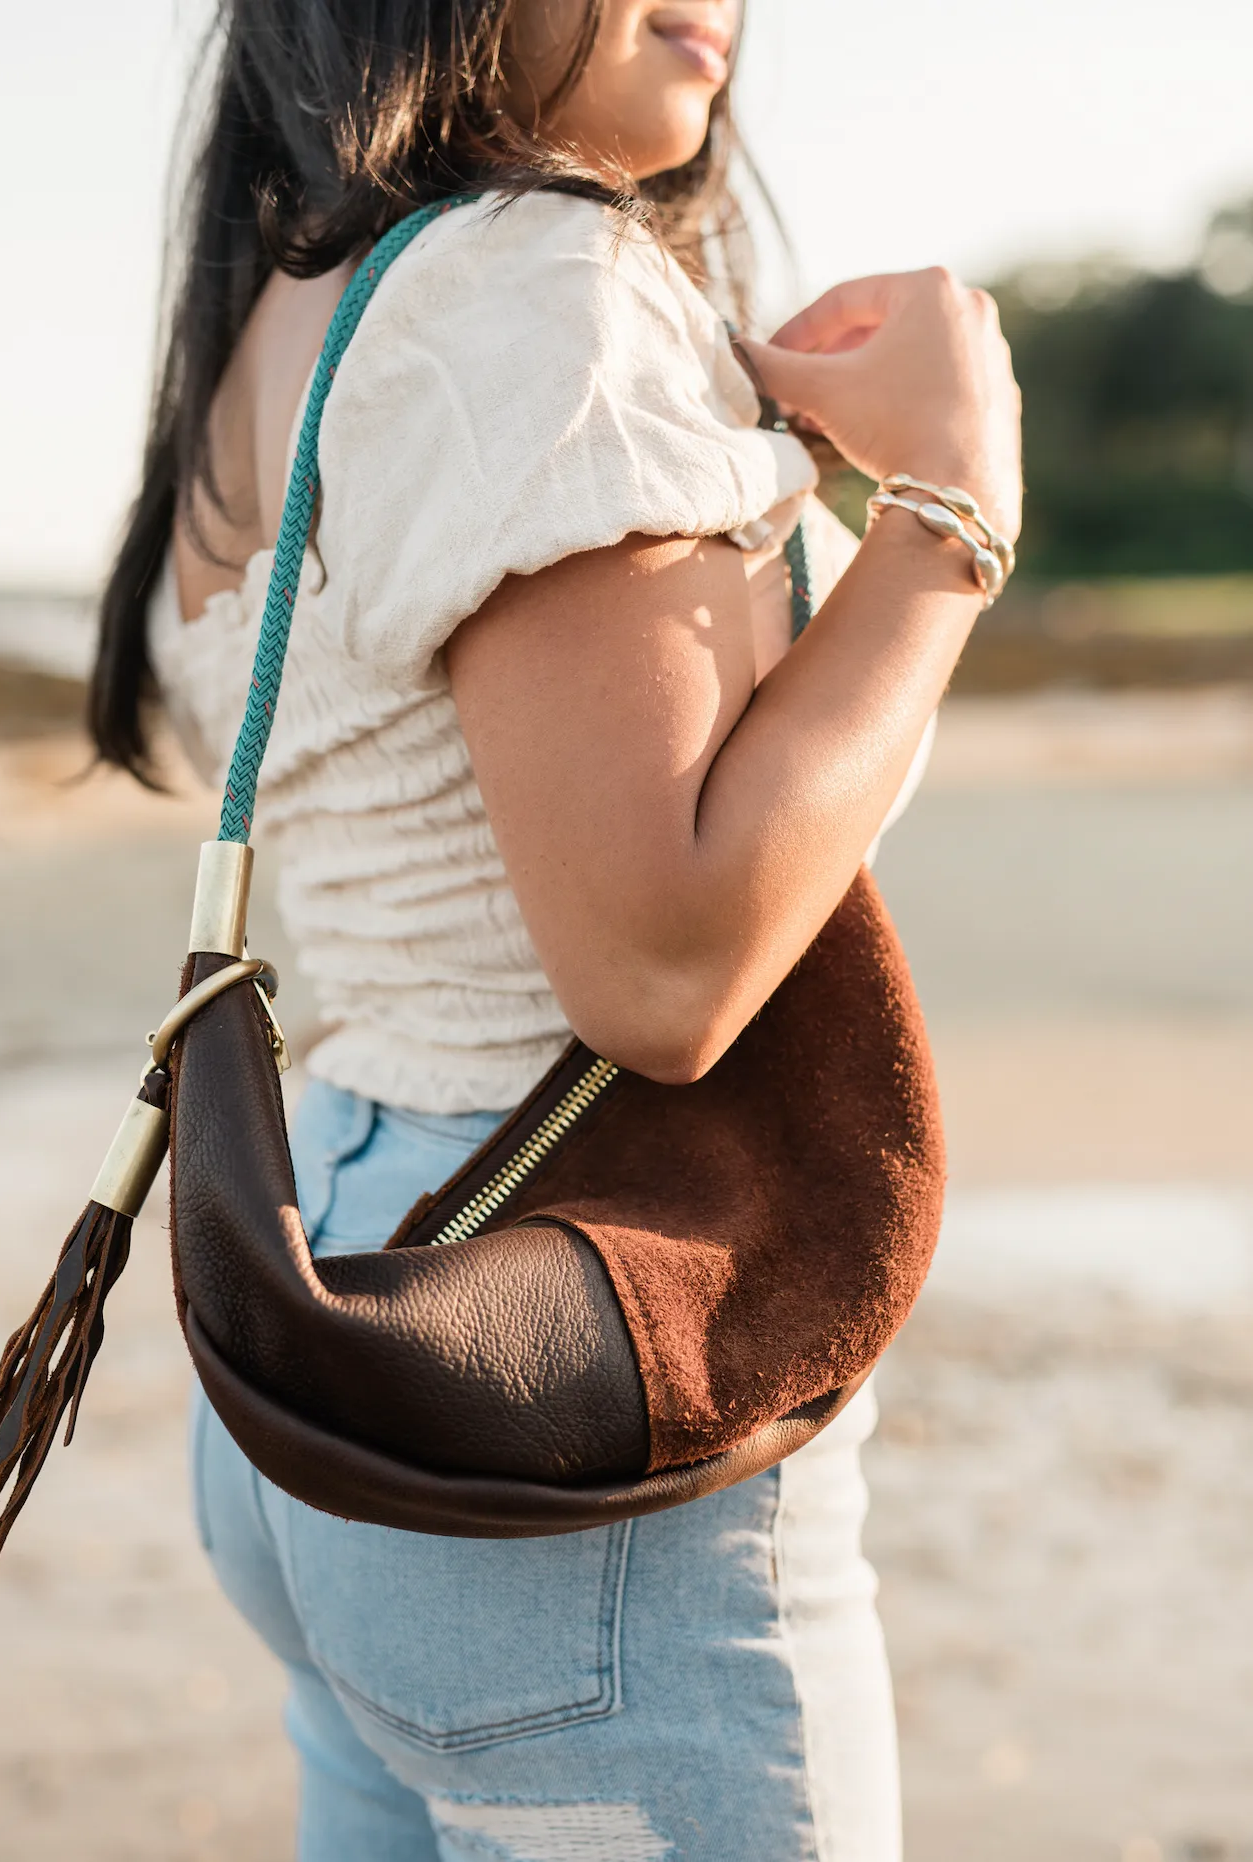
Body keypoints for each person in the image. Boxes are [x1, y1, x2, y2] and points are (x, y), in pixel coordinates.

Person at [92, 2, 1021, 1856]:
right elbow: (662, 967)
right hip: (563, 1332)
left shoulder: (277, 322)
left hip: (333, 1313)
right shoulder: (533, 282)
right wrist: (951, 512)